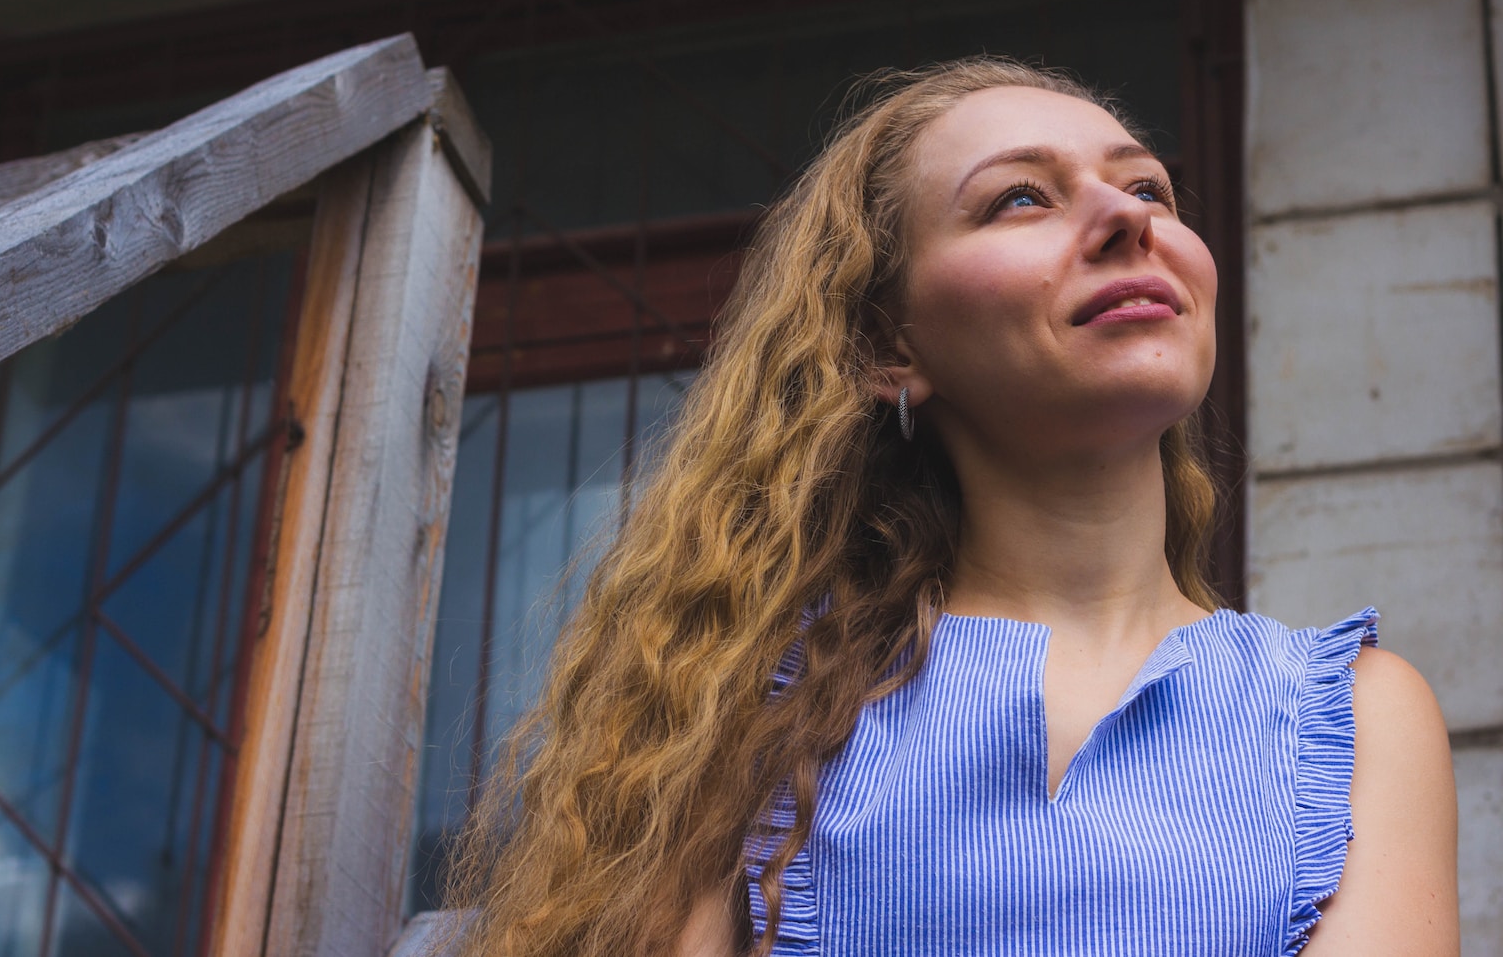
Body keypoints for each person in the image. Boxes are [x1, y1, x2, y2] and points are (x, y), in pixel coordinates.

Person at [442, 59, 1459, 956]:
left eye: (1147, 184)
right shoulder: (743, 707)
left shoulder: (1359, 715)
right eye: (1020, 199)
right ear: (892, 346)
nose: (1127, 217)